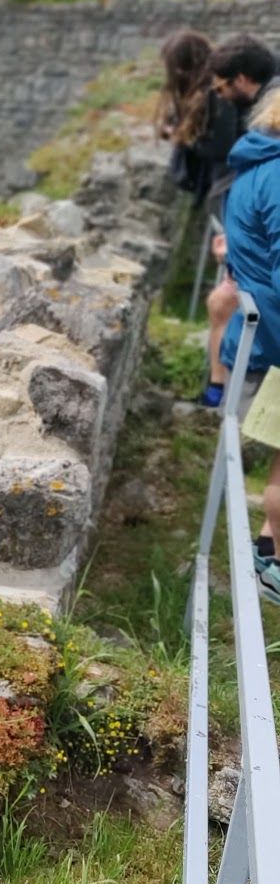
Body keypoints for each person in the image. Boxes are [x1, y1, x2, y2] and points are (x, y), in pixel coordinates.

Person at [215, 87, 280, 600]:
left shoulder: (255, 166)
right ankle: (274, 563)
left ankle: (266, 550)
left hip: (258, 335)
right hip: (274, 342)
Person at [201, 34, 277, 406]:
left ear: (242, 79)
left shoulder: (262, 140)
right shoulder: (266, 153)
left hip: (261, 307)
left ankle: (219, 393)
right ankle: (218, 391)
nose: (220, 96)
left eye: (222, 88)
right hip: (265, 304)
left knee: (221, 301)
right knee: (220, 302)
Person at [156, 30, 238, 205]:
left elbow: (222, 147)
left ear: (182, 67)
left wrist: (185, 139)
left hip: (228, 179)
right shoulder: (201, 89)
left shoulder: (218, 93)